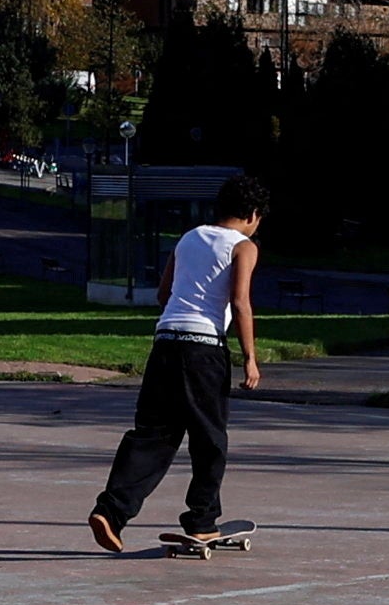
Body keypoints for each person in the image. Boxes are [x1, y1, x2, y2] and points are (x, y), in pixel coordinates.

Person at [89, 177, 262, 554]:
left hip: (165, 341)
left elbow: (163, 294)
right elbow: (241, 301)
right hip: (204, 351)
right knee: (209, 438)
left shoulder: (189, 237)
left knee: (152, 434)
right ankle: (201, 521)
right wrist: (250, 358)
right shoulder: (244, 247)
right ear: (252, 215)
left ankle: (111, 512)